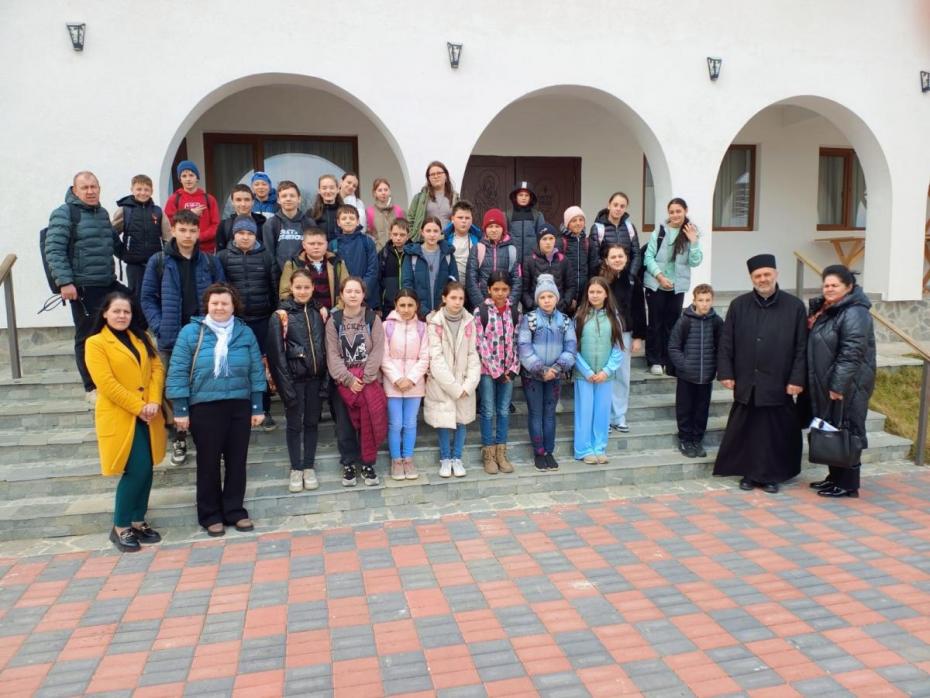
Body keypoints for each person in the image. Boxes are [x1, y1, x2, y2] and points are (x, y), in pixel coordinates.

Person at [165, 283, 266, 536]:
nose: (220, 307)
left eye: (225, 303)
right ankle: (209, 514)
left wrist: (257, 405)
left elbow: (256, 370)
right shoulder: (191, 332)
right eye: (215, 303)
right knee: (208, 462)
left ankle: (234, 510)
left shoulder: (244, 332)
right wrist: (180, 408)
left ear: (233, 306)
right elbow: (177, 371)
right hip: (204, 407)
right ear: (207, 306)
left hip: (239, 405)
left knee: (237, 461)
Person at [713, 254, 808, 494]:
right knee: (748, 430)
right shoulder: (739, 305)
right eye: (758, 276)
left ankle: (772, 475)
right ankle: (749, 473)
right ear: (751, 278)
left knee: (775, 431)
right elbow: (726, 342)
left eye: (767, 274)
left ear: (776, 274)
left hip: (779, 381)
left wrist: (797, 378)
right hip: (748, 379)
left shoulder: (795, 306)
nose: (763, 279)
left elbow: (802, 346)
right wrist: (725, 372)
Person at [141, 209, 225, 465]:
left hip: (204, 337)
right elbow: (147, 298)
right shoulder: (158, 261)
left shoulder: (210, 262)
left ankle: (206, 436)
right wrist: (159, 326)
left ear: (199, 232)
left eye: (192, 230)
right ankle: (178, 437)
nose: (187, 235)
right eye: (182, 230)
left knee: (204, 387)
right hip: (171, 338)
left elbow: (222, 294)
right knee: (173, 389)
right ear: (173, 231)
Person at [85, 291, 166, 553]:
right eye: (117, 311)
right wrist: (138, 407)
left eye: (127, 312)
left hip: (148, 414)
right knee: (136, 470)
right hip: (121, 415)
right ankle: (120, 526)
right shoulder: (95, 343)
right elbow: (106, 383)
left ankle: (138, 521)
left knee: (147, 468)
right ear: (105, 313)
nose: (122, 316)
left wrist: (153, 401)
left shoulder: (142, 338)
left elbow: (157, 369)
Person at [45, 171, 122, 399]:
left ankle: (113, 376)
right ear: (75, 190)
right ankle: (91, 387)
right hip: (82, 287)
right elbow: (54, 250)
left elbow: (114, 245)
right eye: (85, 187)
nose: (90, 191)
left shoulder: (102, 213)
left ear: (99, 188)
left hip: (107, 282)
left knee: (134, 313)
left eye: (93, 187)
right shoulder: (65, 213)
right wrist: (65, 282)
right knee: (87, 335)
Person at [806, 265, 876, 498]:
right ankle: (835, 477)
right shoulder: (831, 310)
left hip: (848, 385)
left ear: (849, 287)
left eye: (834, 285)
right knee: (833, 429)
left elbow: (851, 352)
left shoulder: (855, 312)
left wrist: (838, 386)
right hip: (829, 382)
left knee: (848, 431)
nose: (829, 289)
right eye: (826, 285)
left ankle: (848, 484)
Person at [267, 269, 328, 493]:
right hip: (294, 380)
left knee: (311, 423)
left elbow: (327, 349)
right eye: (298, 287)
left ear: (313, 288)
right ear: (291, 288)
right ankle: (296, 467)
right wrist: (286, 389)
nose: (302, 291)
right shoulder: (281, 316)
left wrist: (325, 382)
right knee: (294, 425)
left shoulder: (320, 312)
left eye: (306, 287)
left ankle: (308, 466)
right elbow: (276, 356)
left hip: (315, 379)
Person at [216, 215, 279, 429]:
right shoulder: (222, 257)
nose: (245, 237)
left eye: (250, 233)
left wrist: (275, 314)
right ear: (234, 235)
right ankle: (240, 410)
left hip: (263, 319)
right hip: (236, 322)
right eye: (241, 233)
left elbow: (274, 287)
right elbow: (220, 288)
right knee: (237, 365)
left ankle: (264, 409)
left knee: (262, 366)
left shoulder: (266, 257)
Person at [325, 277, 387, 487]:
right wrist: (348, 379)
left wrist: (365, 377)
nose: (352, 295)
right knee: (345, 426)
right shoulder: (334, 321)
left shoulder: (372, 318)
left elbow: (378, 349)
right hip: (344, 383)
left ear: (363, 295)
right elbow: (332, 354)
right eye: (348, 291)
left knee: (369, 422)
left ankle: (368, 463)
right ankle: (349, 463)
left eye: (357, 291)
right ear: (341, 295)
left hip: (368, 382)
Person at [518, 275, 576, 471]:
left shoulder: (565, 321)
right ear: (537, 299)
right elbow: (524, 347)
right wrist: (541, 369)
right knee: (536, 413)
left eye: (550, 296)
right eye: (542, 297)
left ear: (556, 298)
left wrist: (557, 368)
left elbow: (571, 348)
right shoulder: (530, 319)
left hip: (555, 375)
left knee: (549, 414)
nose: (547, 300)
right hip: (533, 376)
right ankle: (539, 452)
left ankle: (549, 451)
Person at [425, 281, 480, 478]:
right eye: (453, 298)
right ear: (444, 298)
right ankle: (445, 458)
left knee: (462, 420)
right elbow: (436, 357)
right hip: (443, 382)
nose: (457, 302)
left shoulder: (469, 321)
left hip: (464, 380)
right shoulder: (435, 322)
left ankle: (457, 457)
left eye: (461, 298)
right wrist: (454, 387)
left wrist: (468, 384)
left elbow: (473, 354)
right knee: (443, 420)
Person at [643, 198, 703, 375]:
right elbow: (648, 257)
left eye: (678, 211)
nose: (675, 215)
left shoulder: (691, 232)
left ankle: (670, 359)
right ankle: (654, 360)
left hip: (677, 286)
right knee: (655, 323)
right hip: (656, 284)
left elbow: (695, 262)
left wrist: (694, 242)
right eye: (672, 212)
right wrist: (660, 277)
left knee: (673, 324)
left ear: (685, 211)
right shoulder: (660, 231)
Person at [667, 283, 724, 458]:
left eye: (707, 300)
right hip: (686, 376)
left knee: (701, 410)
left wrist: (715, 367)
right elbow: (673, 347)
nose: (704, 304)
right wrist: (684, 366)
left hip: (706, 376)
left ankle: (697, 440)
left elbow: (722, 347)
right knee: (685, 409)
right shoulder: (684, 320)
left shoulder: (717, 322)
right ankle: (685, 439)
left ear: (712, 301)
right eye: (701, 300)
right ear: (694, 301)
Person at [573, 277, 624, 464]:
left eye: (599, 292)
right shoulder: (579, 317)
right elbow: (573, 348)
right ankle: (583, 449)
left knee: (602, 413)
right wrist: (586, 371)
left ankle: (599, 447)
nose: (595, 295)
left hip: (605, 376)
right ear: (587, 294)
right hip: (583, 375)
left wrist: (606, 371)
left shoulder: (614, 318)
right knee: (584, 412)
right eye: (591, 292)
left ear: (606, 294)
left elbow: (618, 349)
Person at [475, 271, 521, 475]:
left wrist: (513, 368)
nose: (500, 293)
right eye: (496, 289)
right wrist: (496, 371)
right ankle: (488, 452)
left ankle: (501, 451)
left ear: (509, 290)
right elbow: (480, 344)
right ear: (489, 289)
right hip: (488, 371)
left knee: (503, 410)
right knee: (488, 410)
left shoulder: (515, 312)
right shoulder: (481, 312)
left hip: (508, 371)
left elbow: (518, 341)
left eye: (504, 289)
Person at [381, 289, 429, 481]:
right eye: (402, 305)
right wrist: (397, 378)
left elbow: (425, 357)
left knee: (410, 423)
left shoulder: (423, 328)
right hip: (392, 383)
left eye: (410, 305)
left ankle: (408, 458)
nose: (406, 309)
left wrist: (411, 378)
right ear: (396, 305)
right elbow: (383, 356)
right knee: (395, 423)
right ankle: (396, 460)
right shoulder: (386, 326)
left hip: (414, 384)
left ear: (416, 306)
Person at [600, 244, 646, 433]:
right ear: (606, 260)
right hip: (602, 332)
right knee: (604, 373)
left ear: (626, 258)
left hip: (625, 332)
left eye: (620, 256)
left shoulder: (633, 280)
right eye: (613, 257)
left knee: (622, 374)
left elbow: (639, 309)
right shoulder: (599, 280)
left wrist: (638, 336)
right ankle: (604, 417)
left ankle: (618, 416)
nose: (617, 259)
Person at [111, 174, 171, 303]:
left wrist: (165, 258)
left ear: (152, 191)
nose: (142, 193)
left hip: (155, 264)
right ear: (132, 190)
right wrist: (123, 253)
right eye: (139, 189)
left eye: (146, 189)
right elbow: (111, 234)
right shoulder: (125, 211)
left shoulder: (158, 212)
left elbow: (168, 237)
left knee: (156, 297)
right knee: (136, 299)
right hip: (134, 266)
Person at [279, 225, 343, 320]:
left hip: (333, 314)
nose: (316, 247)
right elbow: (285, 293)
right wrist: (303, 310)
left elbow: (346, 289)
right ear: (304, 245)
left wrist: (336, 310)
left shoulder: (337, 263)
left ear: (326, 244)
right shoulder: (293, 264)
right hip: (305, 316)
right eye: (312, 244)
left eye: (320, 244)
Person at [465, 208, 522, 310]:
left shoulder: (512, 249)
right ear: (485, 229)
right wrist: (481, 305)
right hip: (483, 305)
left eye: (497, 226)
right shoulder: (478, 248)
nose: (494, 230)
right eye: (490, 226)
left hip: (505, 305)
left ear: (503, 229)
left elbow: (517, 280)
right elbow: (471, 280)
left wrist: (510, 304)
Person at [401, 217, 458, 315]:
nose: (432, 235)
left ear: (440, 233)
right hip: (417, 314)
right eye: (428, 231)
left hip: (443, 314)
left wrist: (443, 310)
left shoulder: (447, 254)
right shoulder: (411, 255)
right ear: (422, 232)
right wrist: (424, 312)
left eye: (435, 231)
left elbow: (454, 285)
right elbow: (407, 286)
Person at [164, 160, 220, 254]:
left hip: (206, 249)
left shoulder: (209, 199)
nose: (188, 179)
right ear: (180, 179)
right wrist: (190, 213)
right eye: (184, 176)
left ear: (197, 178)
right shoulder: (174, 199)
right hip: (182, 250)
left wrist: (198, 236)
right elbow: (169, 224)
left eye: (191, 175)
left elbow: (216, 225)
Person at [329, 204, 379, 308]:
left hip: (365, 297)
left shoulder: (367, 241)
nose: (348, 221)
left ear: (358, 221)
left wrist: (362, 291)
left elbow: (373, 269)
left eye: (352, 218)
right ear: (338, 222)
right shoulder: (333, 245)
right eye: (344, 218)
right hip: (342, 298)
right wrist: (343, 294)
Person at [521, 223, 575, 313]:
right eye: (544, 239)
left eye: (551, 238)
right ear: (538, 241)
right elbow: (524, 290)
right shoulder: (529, 261)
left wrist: (564, 304)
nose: (548, 242)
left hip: (559, 311)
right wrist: (532, 305)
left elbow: (570, 287)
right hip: (535, 312)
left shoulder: (563, 260)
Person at [590, 192, 642, 278]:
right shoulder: (598, 228)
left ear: (625, 208)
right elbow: (595, 257)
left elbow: (636, 255)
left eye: (622, 206)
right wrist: (607, 275)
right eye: (615, 205)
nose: (618, 209)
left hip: (626, 278)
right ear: (609, 205)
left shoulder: (630, 227)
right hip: (606, 278)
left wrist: (631, 276)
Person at [559, 206, 599, 314]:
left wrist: (588, 293)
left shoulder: (588, 242)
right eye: (574, 220)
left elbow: (593, 269)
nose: (578, 223)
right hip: (565, 295)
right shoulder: (560, 242)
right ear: (567, 223)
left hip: (584, 295)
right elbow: (557, 272)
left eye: (581, 220)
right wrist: (568, 298)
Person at [408, 161, 459, 241]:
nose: (436, 176)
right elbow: (410, 220)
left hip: (448, 241)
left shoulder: (455, 198)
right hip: (425, 242)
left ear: (446, 176)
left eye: (439, 173)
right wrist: (413, 237)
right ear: (428, 179)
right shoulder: (419, 198)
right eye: (432, 174)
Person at [264, 180, 309, 270]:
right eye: (284, 196)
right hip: (279, 275)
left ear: (299, 199)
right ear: (278, 200)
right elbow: (269, 255)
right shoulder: (271, 224)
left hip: (304, 274)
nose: (288, 199)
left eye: (292, 195)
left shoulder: (309, 223)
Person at [506, 181, 546, 273]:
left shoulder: (537, 215)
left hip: (533, 261)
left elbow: (542, 237)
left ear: (531, 198)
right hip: (513, 260)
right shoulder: (508, 215)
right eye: (520, 195)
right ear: (515, 197)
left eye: (526, 195)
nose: (523, 198)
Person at [214, 184, 267, 252]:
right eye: (238, 200)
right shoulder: (224, 226)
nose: (243, 204)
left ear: (253, 202)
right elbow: (220, 254)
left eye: (247, 200)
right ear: (232, 202)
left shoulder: (263, 224)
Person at [444, 200, 481, 288]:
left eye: (467, 218)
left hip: (472, 287)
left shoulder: (479, 240)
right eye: (460, 217)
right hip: (451, 287)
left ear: (472, 220)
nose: (464, 221)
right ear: (452, 219)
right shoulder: (444, 239)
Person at [378, 218, 411, 316]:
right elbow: (378, 281)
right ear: (390, 235)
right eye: (395, 234)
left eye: (402, 235)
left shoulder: (413, 253)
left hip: (409, 304)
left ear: (408, 236)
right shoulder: (384, 254)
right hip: (388, 305)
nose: (398, 238)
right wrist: (378, 306)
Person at [366, 178, 405, 251]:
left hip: (396, 251)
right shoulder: (369, 212)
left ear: (390, 191)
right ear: (374, 193)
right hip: (377, 252)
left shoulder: (398, 210)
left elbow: (404, 231)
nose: (383, 192)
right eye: (380, 190)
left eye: (386, 190)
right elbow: (368, 234)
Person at [310, 174, 344, 241]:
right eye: (324, 188)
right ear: (319, 190)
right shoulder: (311, 212)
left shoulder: (345, 211)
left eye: (331, 188)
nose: (328, 191)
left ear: (337, 189)